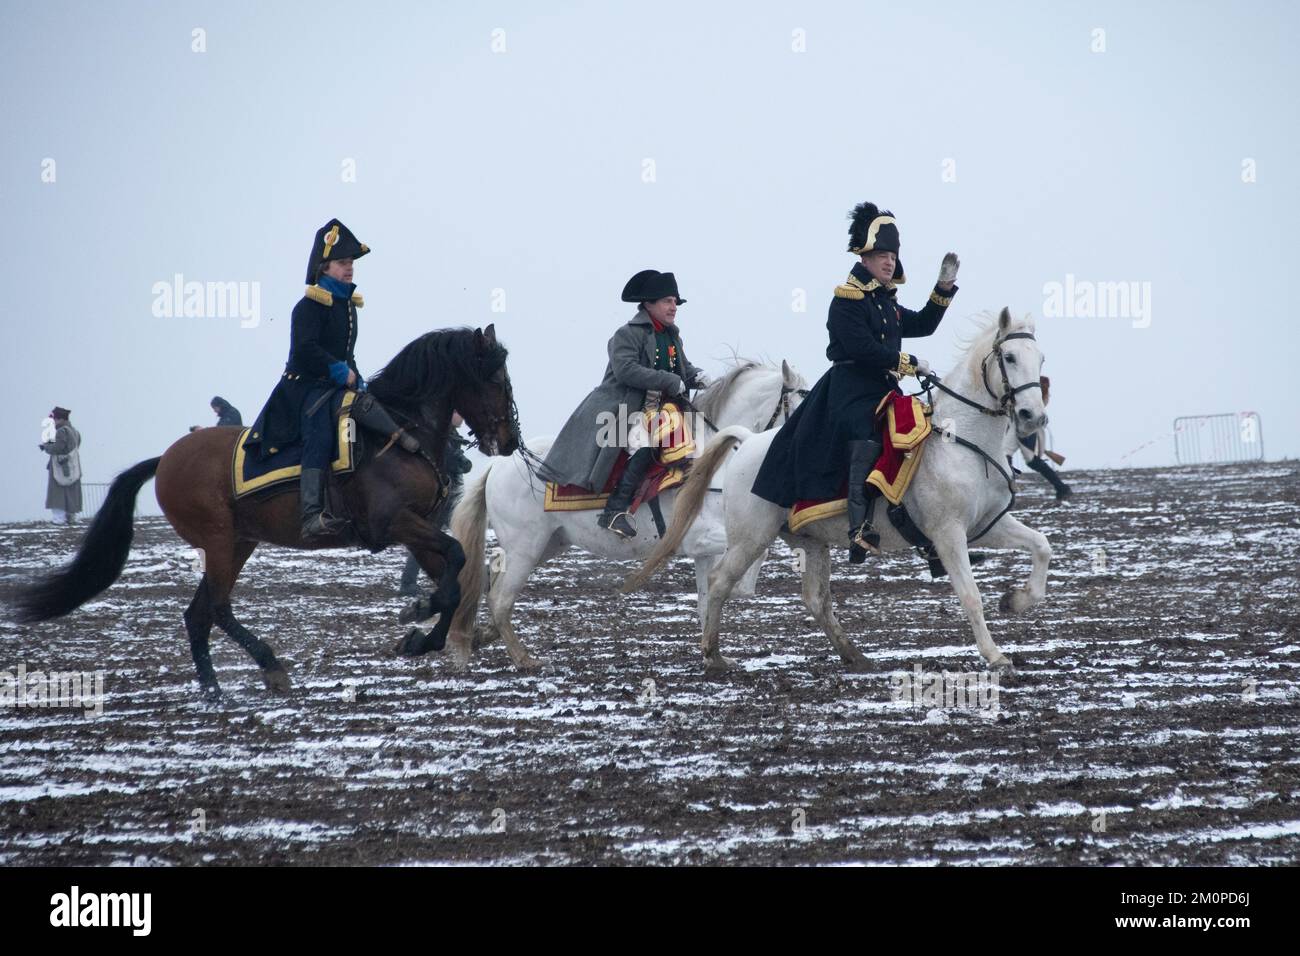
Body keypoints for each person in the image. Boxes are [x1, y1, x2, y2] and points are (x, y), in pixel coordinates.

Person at [751, 202, 960, 563]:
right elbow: (860, 348)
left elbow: (925, 324)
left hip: (883, 390)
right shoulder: (847, 299)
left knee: (919, 430)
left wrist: (943, 288)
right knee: (865, 432)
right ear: (864, 258)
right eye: (881, 255)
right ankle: (859, 527)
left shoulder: (886, 304)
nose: (889, 262)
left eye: (892, 255)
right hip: (849, 390)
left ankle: (923, 528)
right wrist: (905, 361)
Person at [246, 218, 398, 540]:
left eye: (351, 263)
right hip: (303, 387)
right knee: (320, 434)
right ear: (324, 266)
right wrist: (340, 371)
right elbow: (304, 350)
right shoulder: (307, 306)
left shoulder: (348, 307)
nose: (350, 268)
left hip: (334, 386)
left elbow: (346, 352)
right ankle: (311, 514)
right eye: (343, 263)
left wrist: (356, 377)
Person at [542, 270, 710, 538]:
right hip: (626, 409)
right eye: (668, 300)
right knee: (646, 444)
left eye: (675, 302)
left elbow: (682, 369)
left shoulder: (672, 336)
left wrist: (697, 376)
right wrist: (669, 380)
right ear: (648, 303)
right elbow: (626, 370)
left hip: (662, 410)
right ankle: (615, 511)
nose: (674, 307)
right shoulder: (626, 334)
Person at [1011, 376, 1072, 500]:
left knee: (1031, 461)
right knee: (1024, 460)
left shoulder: (1032, 394)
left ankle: (1061, 488)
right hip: (1021, 427)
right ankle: (1061, 488)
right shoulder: (1038, 394)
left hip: (1026, 429)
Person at [39, 406, 82, 525]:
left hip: (59, 467)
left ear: (60, 419)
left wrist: (46, 446)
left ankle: (58, 519)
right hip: (73, 466)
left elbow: (57, 448)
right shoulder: (75, 431)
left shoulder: (61, 431)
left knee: (57, 493)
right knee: (72, 492)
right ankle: (72, 517)